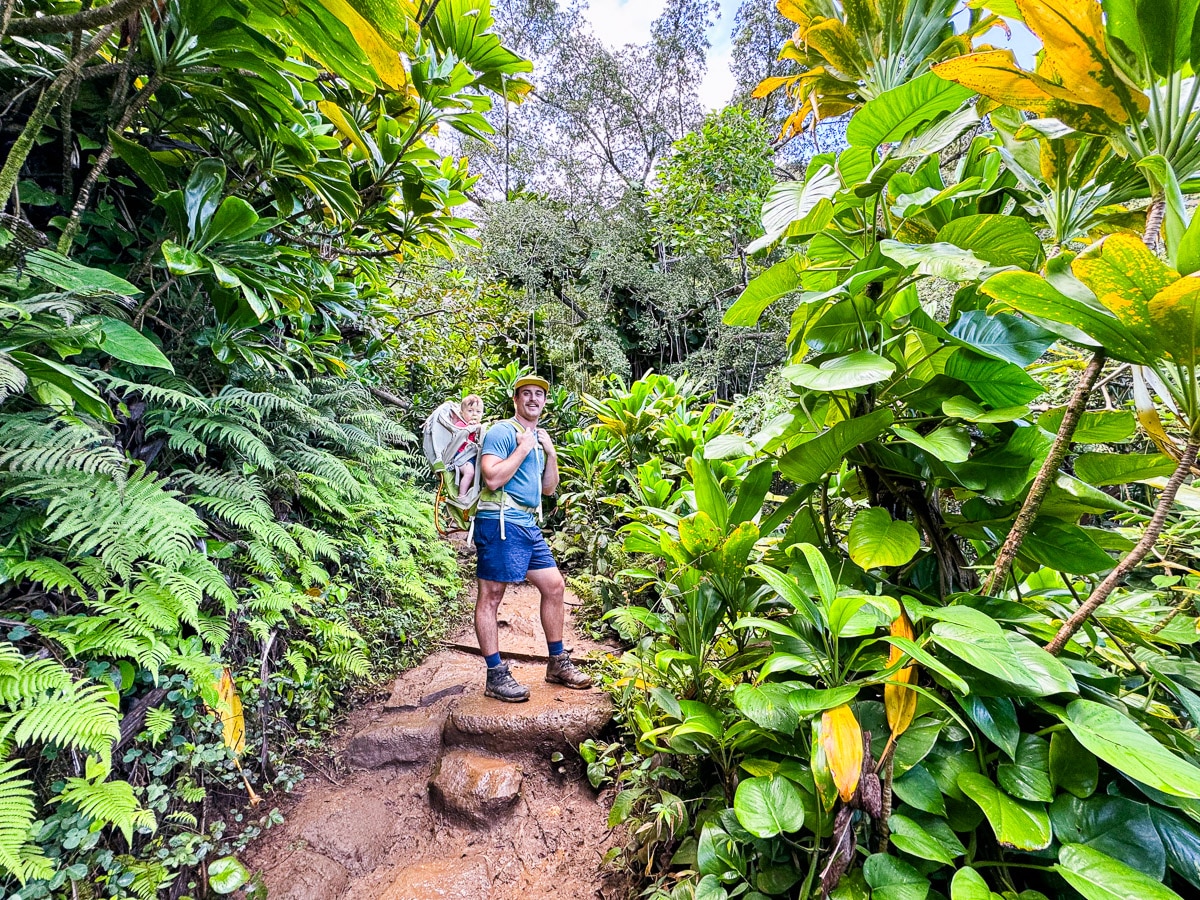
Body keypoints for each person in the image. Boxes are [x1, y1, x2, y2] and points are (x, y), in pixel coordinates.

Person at [473, 374, 592, 702]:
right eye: (526, 394)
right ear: (516, 400)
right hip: (499, 521)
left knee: (554, 586)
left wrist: (549, 453)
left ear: (544, 401)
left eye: (539, 394)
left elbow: (547, 489)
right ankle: (495, 675)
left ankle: (557, 663)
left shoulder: (540, 438)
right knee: (492, 595)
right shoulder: (502, 431)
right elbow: (493, 477)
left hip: (526, 524)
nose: (533, 399)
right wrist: (523, 447)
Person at [450, 394, 483, 501]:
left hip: (471, 457)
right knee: (470, 473)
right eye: (470, 411)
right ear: (462, 413)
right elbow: (460, 435)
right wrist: (471, 427)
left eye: (478, 412)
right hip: (460, 456)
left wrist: (478, 429)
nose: (474, 414)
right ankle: (461, 496)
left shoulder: (478, 426)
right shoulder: (460, 424)